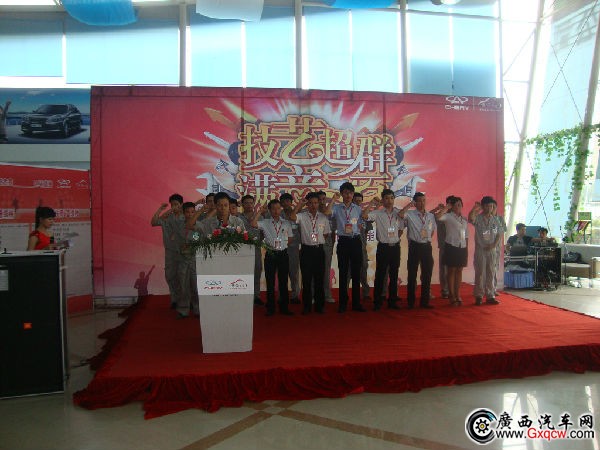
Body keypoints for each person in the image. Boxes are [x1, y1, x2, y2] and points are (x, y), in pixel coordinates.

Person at [251, 199, 294, 316]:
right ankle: (270, 308)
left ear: (281, 209)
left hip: (283, 254)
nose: (276, 211)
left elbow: (290, 238)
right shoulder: (265, 222)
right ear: (269, 210)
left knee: (283, 282)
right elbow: (253, 224)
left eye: (278, 208)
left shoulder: (286, 223)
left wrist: (282, 246)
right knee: (270, 282)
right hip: (270, 254)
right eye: (273, 208)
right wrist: (260, 211)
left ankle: (284, 308)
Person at [291, 191, 331, 314]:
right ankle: (307, 306)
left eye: (315, 203)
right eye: (311, 203)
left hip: (319, 250)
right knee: (306, 280)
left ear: (319, 203)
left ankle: (320, 306)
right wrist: (300, 204)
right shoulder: (302, 216)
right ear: (307, 204)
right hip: (306, 251)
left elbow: (325, 234)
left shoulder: (323, 217)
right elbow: (292, 217)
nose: (313, 205)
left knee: (319, 279)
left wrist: (317, 241)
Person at [330, 182, 367, 313]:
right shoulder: (336, 208)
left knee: (356, 273)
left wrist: (361, 225)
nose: (348, 195)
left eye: (350, 193)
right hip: (343, 242)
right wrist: (333, 199)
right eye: (345, 193)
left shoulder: (357, 209)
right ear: (341, 194)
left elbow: (362, 223)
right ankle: (343, 303)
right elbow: (327, 212)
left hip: (355, 241)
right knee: (343, 273)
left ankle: (356, 303)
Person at [399, 192, 439, 309]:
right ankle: (410, 302)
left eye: (424, 200)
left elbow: (432, 231)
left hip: (426, 247)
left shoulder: (430, 216)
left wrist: (426, 240)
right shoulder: (410, 214)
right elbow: (400, 214)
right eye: (419, 201)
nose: (422, 203)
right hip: (415, 246)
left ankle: (425, 301)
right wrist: (409, 205)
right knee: (412, 274)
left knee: (427, 274)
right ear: (415, 202)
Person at [365, 189, 402, 311]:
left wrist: (395, 238)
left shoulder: (398, 212)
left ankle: (392, 301)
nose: (389, 201)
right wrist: (371, 203)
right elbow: (364, 216)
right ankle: (377, 302)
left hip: (395, 247)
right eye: (386, 198)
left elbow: (402, 226)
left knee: (394, 275)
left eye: (391, 198)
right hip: (383, 247)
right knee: (380, 275)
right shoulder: (378, 213)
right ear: (382, 200)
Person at [151, 193, 186, 311]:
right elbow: (153, 222)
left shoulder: (185, 217)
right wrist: (160, 209)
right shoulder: (167, 218)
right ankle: (174, 299)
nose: (174, 206)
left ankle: (185, 300)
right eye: (172, 204)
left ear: (181, 204)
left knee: (183, 277)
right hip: (170, 252)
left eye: (176, 204)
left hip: (183, 252)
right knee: (170, 276)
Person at [435, 196, 468, 306]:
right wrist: (446, 208)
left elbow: (466, 235)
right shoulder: (448, 216)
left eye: (460, 204)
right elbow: (437, 217)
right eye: (456, 205)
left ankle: (458, 294)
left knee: (459, 271)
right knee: (451, 271)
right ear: (452, 206)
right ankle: (452, 295)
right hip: (451, 246)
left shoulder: (464, 219)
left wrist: (466, 248)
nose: (459, 206)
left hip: (462, 247)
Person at [469, 196, 502, 305]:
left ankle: (490, 295)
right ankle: (479, 295)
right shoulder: (478, 218)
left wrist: (494, 245)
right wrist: (475, 208)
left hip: (492, 250)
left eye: (491, 206)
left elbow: (499, 234)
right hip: (481, 250)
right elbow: (470, 218)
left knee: (491, 273)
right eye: (487, 206)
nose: (489, 208)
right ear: (483, 206)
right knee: (480, 273)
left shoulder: (496, 219)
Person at [239, 194, 264, 306]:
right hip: (242, 249)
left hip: (256, 248)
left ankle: (256, 296)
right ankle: (245, 296)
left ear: (254, 204)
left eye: (251, 203)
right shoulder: (238, 218)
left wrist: (259, 241)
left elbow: (263, 233)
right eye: (246, 203)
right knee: (244, 273)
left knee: (257, 271)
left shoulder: (260, 217)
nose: (249, 205)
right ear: (242, 204)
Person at [178, 202, 200, 317]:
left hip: (194, 260)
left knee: (196, 286)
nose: (190, 214)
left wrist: (190, 245)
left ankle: (197, 309)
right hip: (183, 260)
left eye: (192, 212)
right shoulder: (180, 226)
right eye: (187, 212)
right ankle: (183, 310)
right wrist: (182, 246)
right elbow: (177, 241)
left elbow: (198, 240)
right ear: (183, 213)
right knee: (183, 286)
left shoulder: (198, 225)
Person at [280, 193, 301, 304]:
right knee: (282, 273)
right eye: (283, 202)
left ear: (291, 202)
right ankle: (282, 296)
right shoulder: (278, 214)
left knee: (294, 272)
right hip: (281, 248)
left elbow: (302, 230)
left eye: (288, 201)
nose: (285, 203)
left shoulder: (298, 214)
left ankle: (295, 295)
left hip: (294, 248)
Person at [351, 191, 372, 302]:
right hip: (350, 246)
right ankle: (345, 294)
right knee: (349, 271)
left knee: (363, 270)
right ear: (352, 201)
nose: (358, 203)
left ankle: (365, 292)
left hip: (362, 247)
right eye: (356, 201)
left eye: (360, 201)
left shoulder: (365, 215)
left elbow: (367, 232)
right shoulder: (348, 214)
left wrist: (363, 244)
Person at [318, 191, 336, 304]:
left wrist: (332, 245)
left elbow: (333, 232)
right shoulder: (310, 212)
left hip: (327, 243)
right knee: (314, 270)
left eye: (323, 199)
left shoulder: (330, 213)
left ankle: (327, 294)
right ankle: (314, 295)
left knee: (326, 270)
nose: (321, 201)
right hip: (314, 243)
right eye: (319, 199)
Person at [434, 196, 454, 300]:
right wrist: (443, 209)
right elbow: (433, 216)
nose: (450, 206)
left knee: (454, 270)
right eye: (449, 204)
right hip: (444, 246)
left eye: (452, 204)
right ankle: (445, 290)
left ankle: (453, 290)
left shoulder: (456, 216)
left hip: (455, 247)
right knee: (444, 270)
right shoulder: (442, 215)